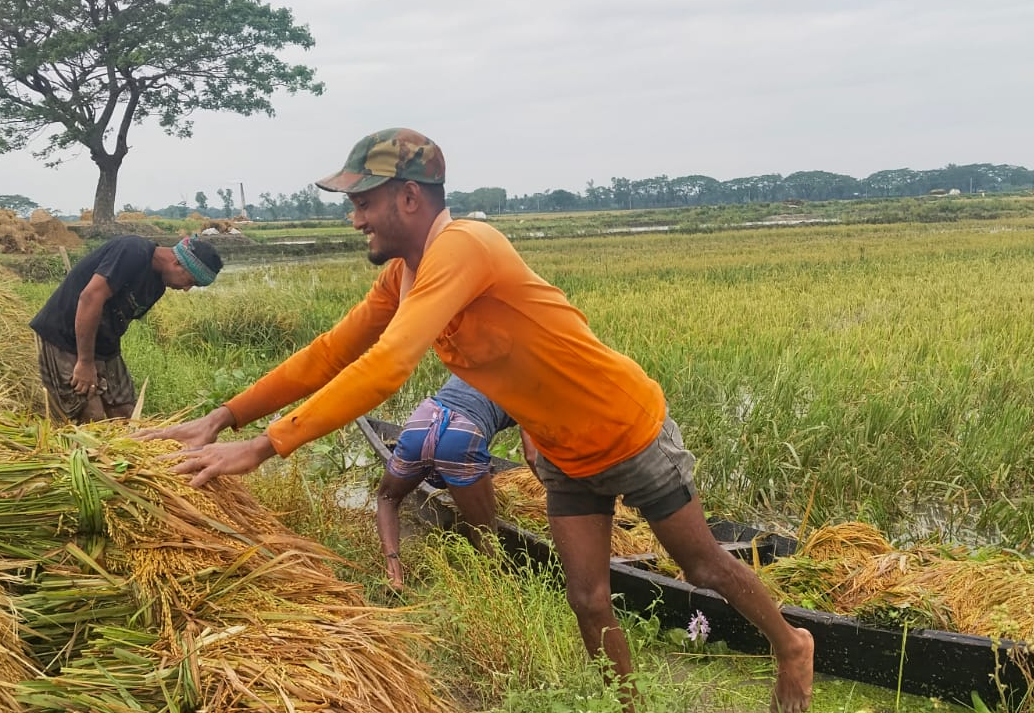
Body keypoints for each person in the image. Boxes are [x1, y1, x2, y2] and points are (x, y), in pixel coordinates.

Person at [132, 128, 813, 712]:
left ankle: (791, 645)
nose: (355, 217)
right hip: (562, 451)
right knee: (586, 597)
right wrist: (224, 417)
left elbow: (389, 366)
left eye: (363, 201)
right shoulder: (403, 276)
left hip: (626, 429)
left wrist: (265, 446)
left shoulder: (466, 246)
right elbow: (331, 353)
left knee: (702, 566)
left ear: (409, 197)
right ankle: (626, 704)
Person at [30, 234, 222, 422]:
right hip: (65, 336)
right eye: (191, 281)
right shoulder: (133, 251)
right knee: (92, 418)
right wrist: (86, 362)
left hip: (103, 346)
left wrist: (103, 364)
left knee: (127, 417)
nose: (187, 289)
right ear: (177, 263)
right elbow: (90, 298)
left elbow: (119, 321)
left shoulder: (157, 287)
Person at [377, 374, 536, 590]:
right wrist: (550, 488)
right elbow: (532, 456)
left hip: (424, 419)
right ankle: (495, 587)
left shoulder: (477, 359)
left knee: (387, 498)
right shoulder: (533, 384)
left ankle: (394, 578)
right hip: (462, 436)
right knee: (484, 530)